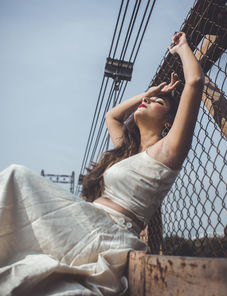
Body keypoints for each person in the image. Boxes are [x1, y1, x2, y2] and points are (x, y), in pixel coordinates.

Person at [0, 32, 204, 295]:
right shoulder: (126, 150)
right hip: (87, 220)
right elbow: (113, 117)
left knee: (17, 177)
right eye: (149, 99)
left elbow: (195, 82)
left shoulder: (168, 150)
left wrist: (183, 47)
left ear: (168, 122)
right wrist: (149, 92)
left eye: (158, 102)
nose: (149, 101)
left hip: (109, 233)